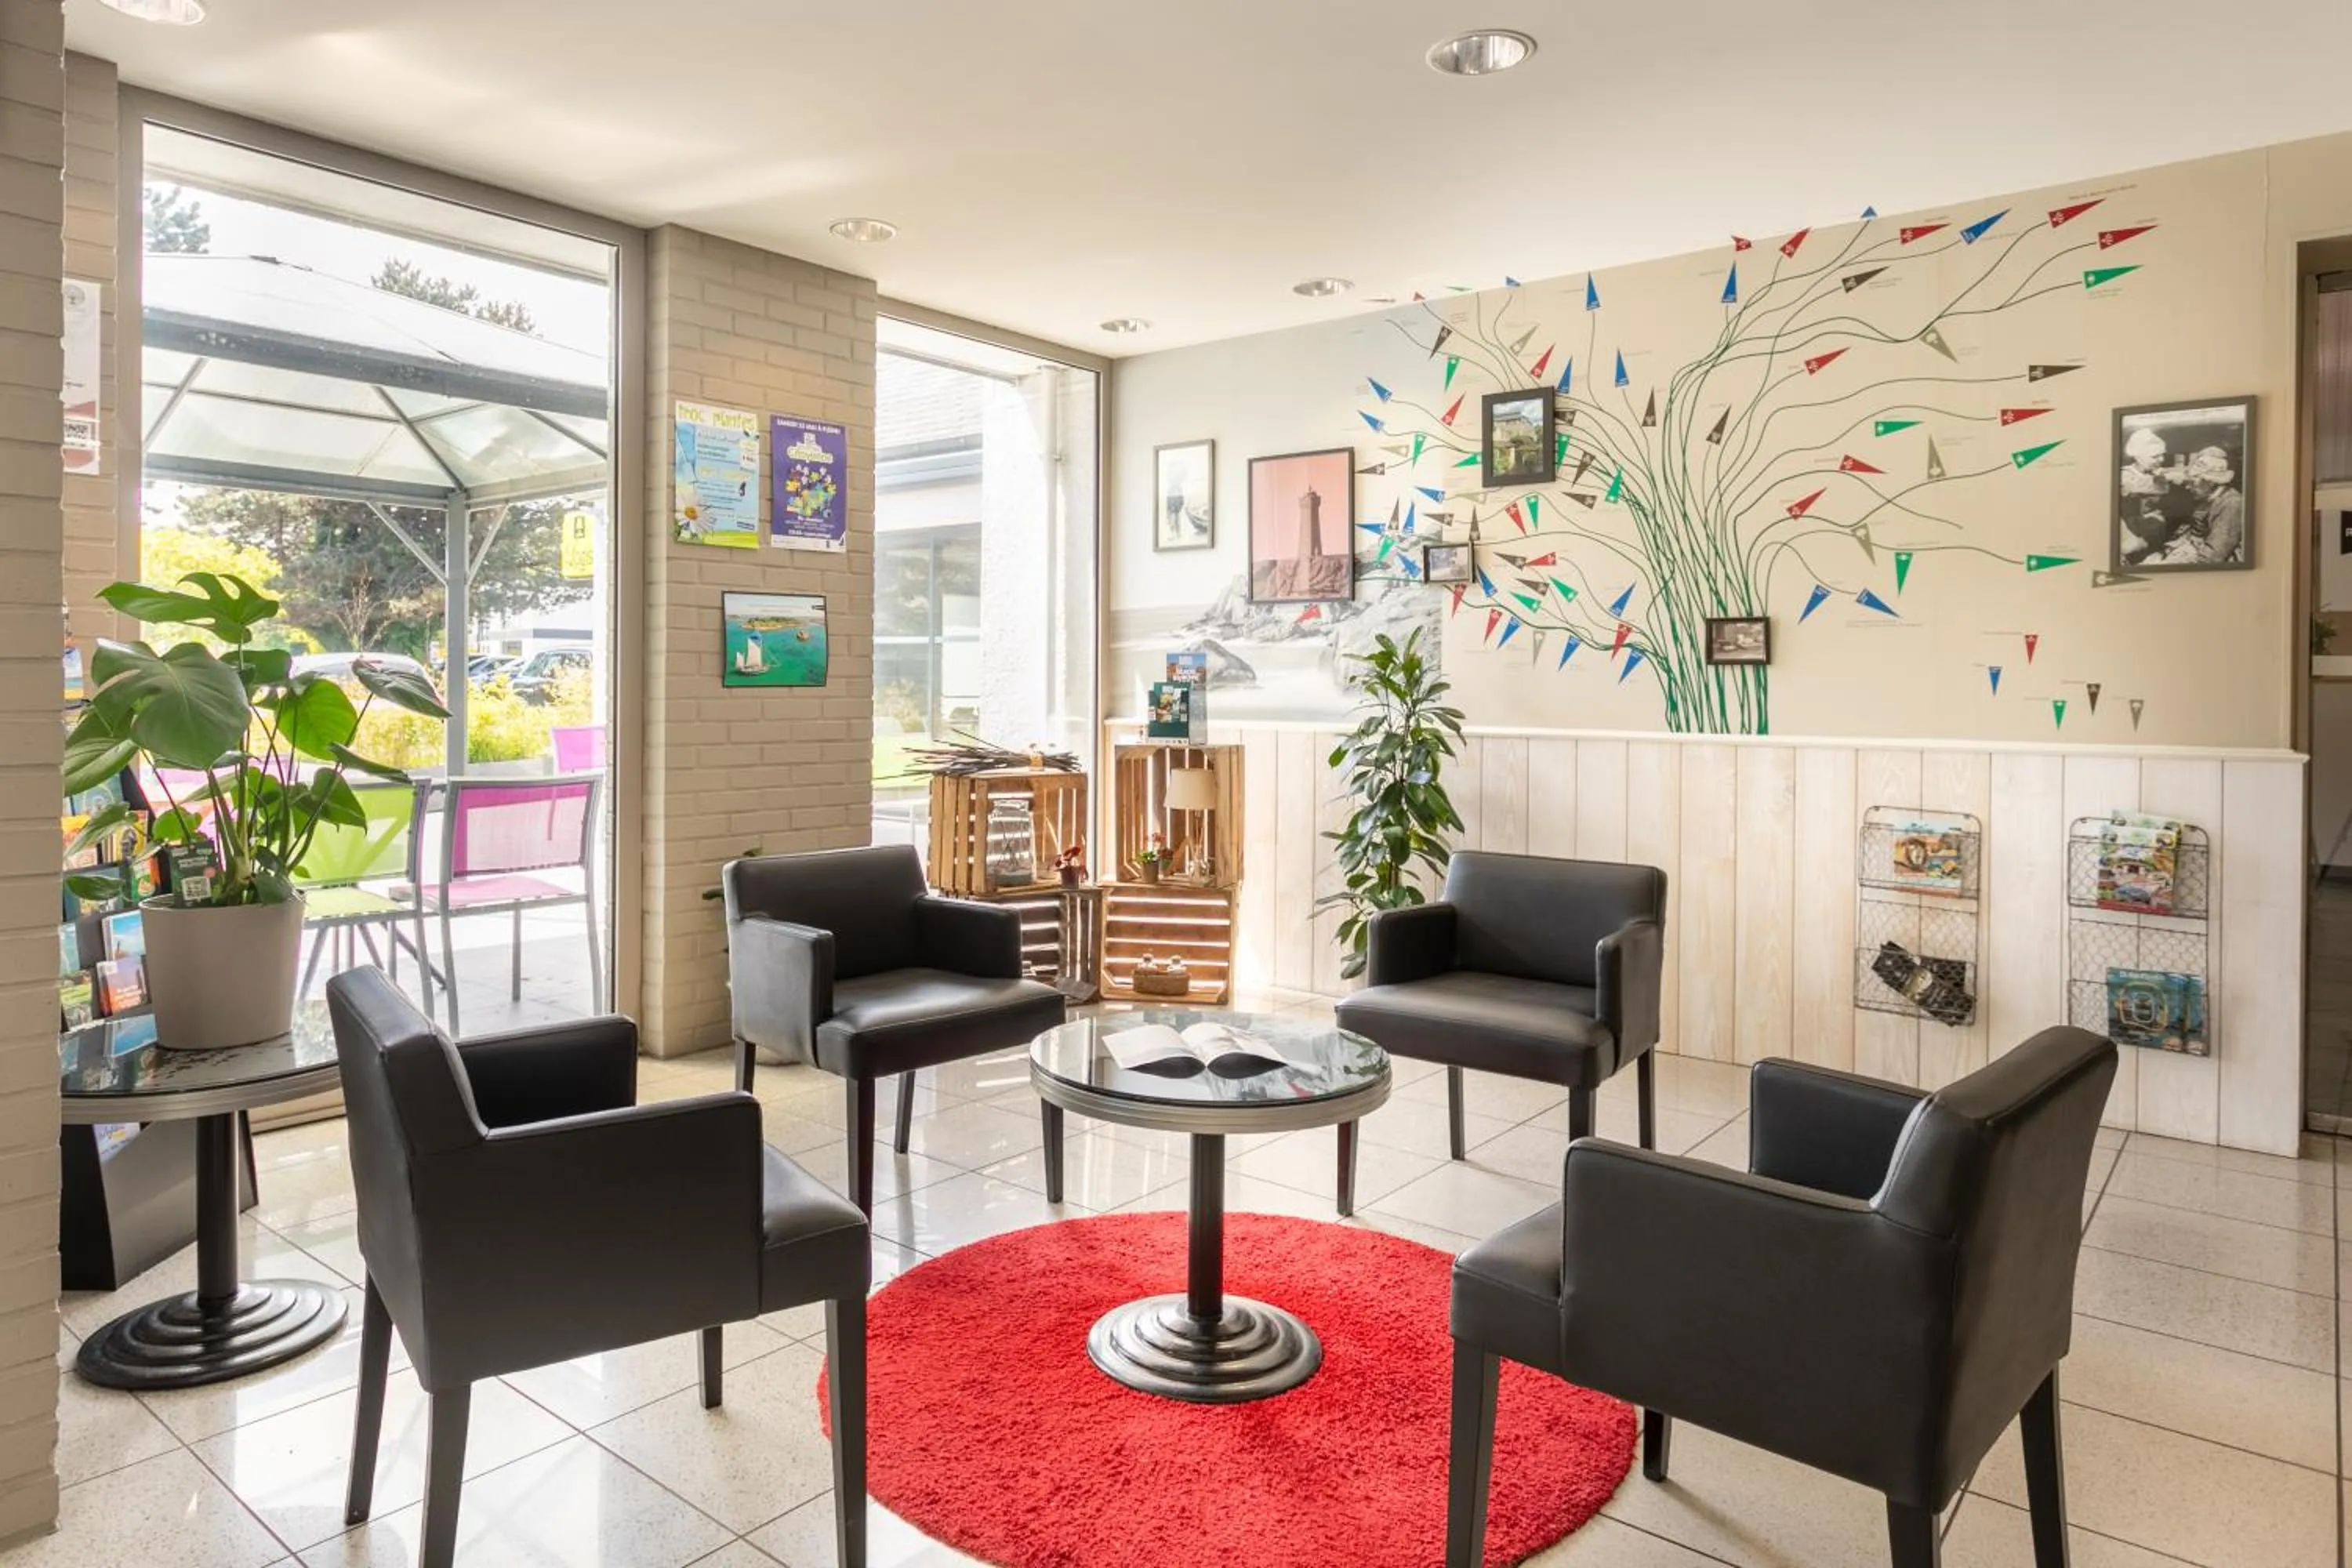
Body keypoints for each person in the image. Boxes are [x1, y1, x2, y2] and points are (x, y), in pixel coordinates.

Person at [2151, 446, 2244, 566]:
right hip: (2190, 548)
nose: (2188, 487)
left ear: (2210, 482)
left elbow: (2213, 556)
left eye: (2193, 483)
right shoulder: (2208, 496)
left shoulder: (2231, 504)